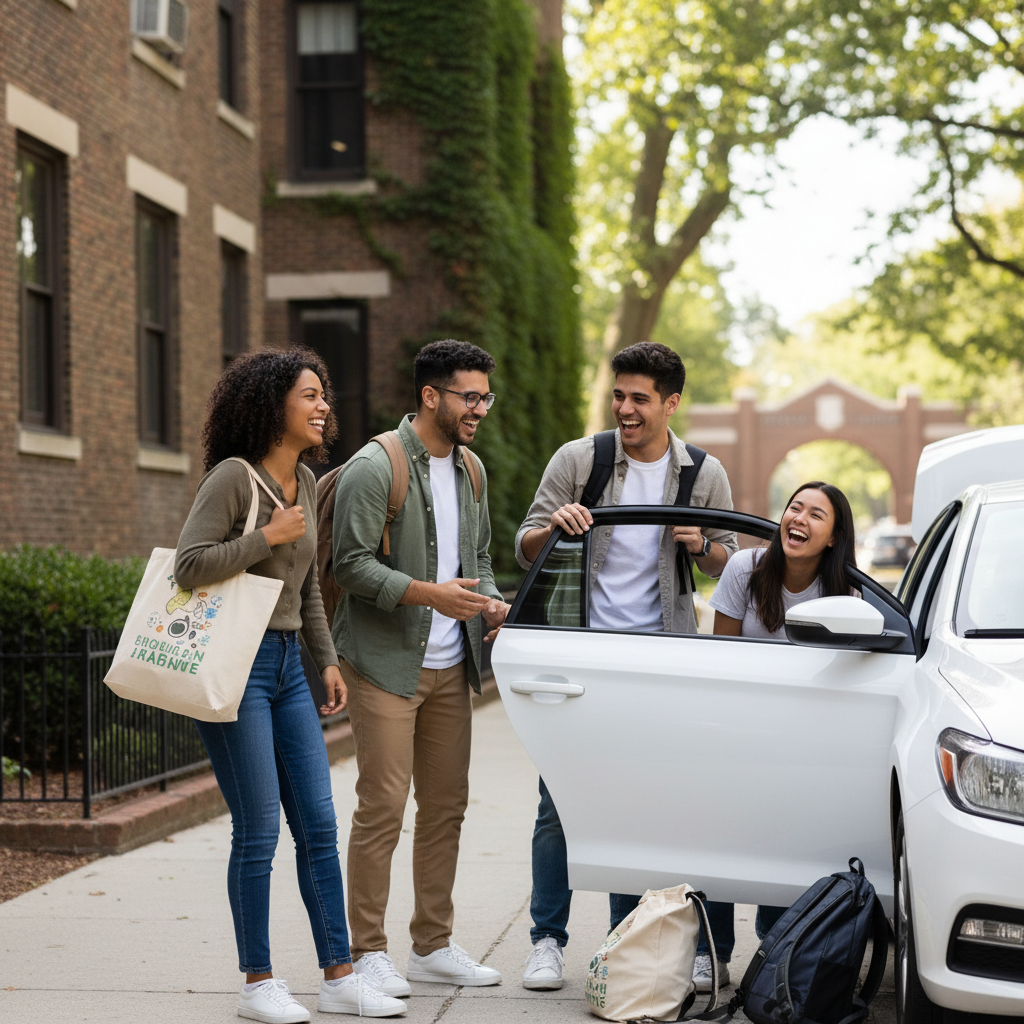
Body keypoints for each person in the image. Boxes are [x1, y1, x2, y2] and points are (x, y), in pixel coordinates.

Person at [174, 349, 406, 1022]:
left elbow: (304, 588)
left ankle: (338, 975)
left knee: (318, 825)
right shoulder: (232, 479)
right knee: (258, 832)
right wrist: (265, 536)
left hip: (288, 671)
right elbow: (189, 566)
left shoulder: (306, 480)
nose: (323, 405)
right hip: (235, 668)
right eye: (310, 394)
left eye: (323, 394)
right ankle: (258, 983)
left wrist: (325, 657)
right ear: (274, 404)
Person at [514, 341, 738, 991]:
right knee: (558, 803)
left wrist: (703, 545)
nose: (626, 409)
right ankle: (547, 941)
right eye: (619, 395)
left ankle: (672, 945)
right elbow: (528, 543)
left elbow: (733, 563)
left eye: (640, 398)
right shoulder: (580, 460)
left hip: (664, 659)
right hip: (584, 656)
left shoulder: (703, 473)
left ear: (671, 403)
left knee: (674, 805)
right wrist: (555, 525)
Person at [332, 339, 511, 997]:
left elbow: (482, 554)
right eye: (470, 395)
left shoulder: (472, 471)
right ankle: (367, 951)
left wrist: (487, 599)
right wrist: (430, 594)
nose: (480, 409)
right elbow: (347, 565)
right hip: (383, 665)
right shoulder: (376, 467)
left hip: (449, 667)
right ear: (431, 395)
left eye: (484, 396)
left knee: (445, 807)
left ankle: (432, 944)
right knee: (381, 806)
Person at [692, 480, 858, 993]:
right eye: (794, 507)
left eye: (815, 514)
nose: (799, 519)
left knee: (788, 841)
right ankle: (709, 952)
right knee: (719, 837)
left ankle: (777, 946)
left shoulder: (844, 592)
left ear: (832, 537)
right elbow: (724, 655)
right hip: (740, 727)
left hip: (805, 741)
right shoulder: (747, 567)